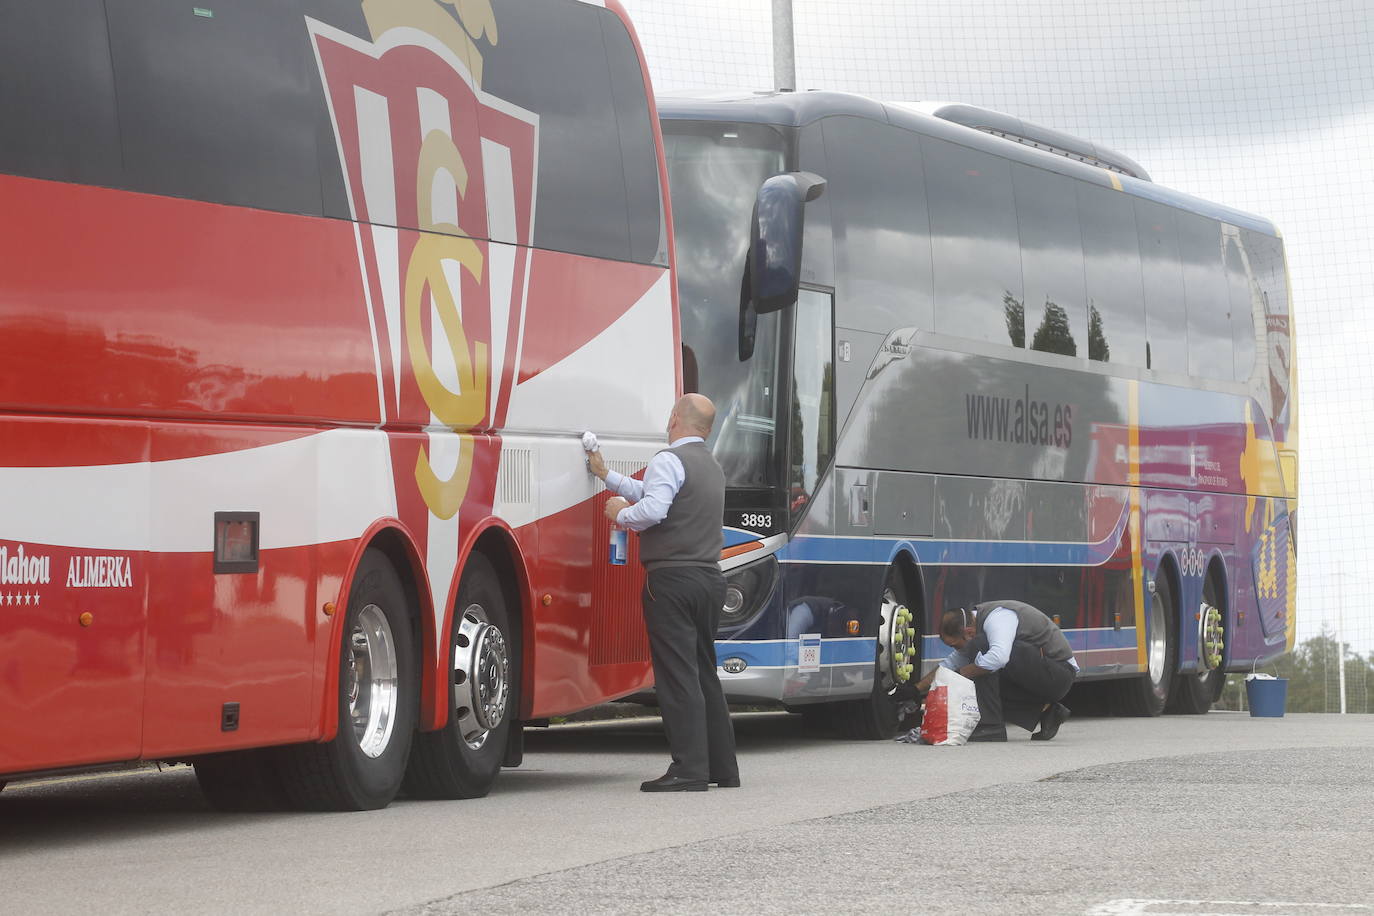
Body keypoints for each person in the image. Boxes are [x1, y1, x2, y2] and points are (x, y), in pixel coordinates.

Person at [586, 394, 740, 792]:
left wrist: (618, 514)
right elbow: (659, 493)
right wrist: (609, 478)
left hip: (671, 580)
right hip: (709, 578)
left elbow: (656, 509)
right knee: (704, 670)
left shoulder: (668, 460)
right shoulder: (711, 466)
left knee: (676, 675)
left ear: (675, 418)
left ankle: (688, 770)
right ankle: (722, 768)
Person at [914, 600, 1077, 742]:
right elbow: (948, 666)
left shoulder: (998, 618)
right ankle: (1047, 711)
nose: (955, 649)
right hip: (1040, 674)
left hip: (1059, 673)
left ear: (968, 633)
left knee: (983, 657)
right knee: (979, 667)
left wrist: (961, 675)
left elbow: (999, 658)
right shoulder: (974, 632)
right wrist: (915, 690)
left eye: (954, 645)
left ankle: (990, 726)